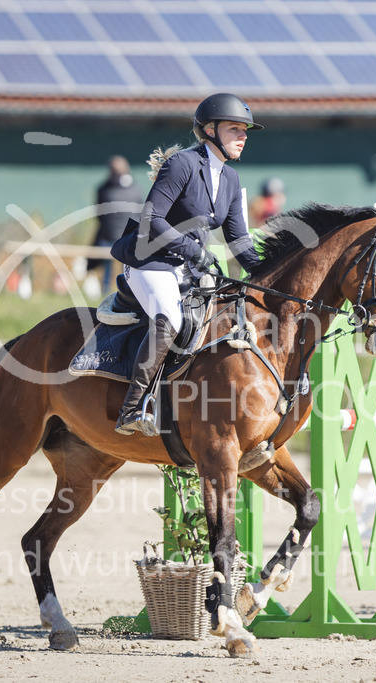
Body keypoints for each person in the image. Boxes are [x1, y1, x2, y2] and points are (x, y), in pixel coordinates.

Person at [110, 93, 264, 436]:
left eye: (245, 130)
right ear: (210, 130)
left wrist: (267, 272)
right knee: (172, 318)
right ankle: (132, 408)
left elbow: (239, 239)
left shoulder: (231, 180)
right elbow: (152, 219)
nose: (243, 136)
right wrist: (193, 251)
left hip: (187, 267)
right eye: (235, 129)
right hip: (150, 261)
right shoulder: (182, 164)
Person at [89, 156, 142, 292]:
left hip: (109, 236)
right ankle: (127, 292)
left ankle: (105, 289)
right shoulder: (135, 189)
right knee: (127, 270)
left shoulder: (104, 190)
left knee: (107, 269)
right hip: (130, 237)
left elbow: (99, 215)